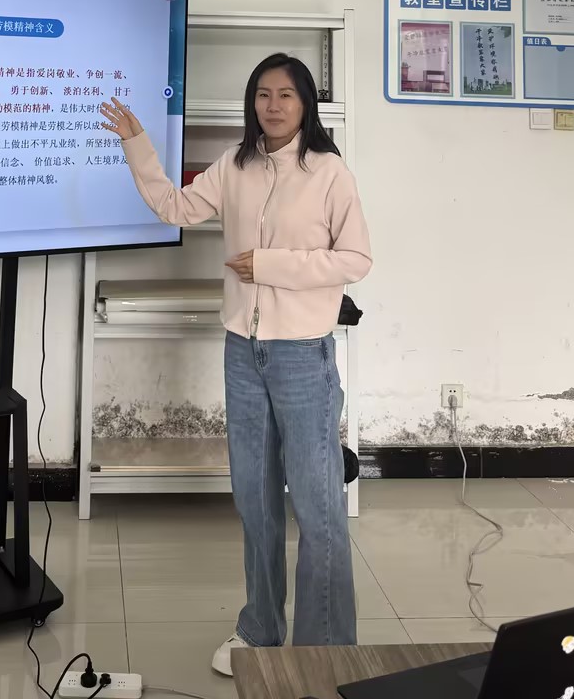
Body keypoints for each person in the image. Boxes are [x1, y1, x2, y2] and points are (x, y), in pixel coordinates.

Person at [100, 53, 372, 674]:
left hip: (302, 354)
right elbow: (175, 207)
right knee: (255, 501)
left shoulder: (329, 172)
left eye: (287, 95)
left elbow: (355, 259)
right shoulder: (235, 165)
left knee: (318, 507)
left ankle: (324, 651)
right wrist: (137, 145)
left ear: (306, 104)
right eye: (263, 94)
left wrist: (271, 265)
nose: (273, 106)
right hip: (242, 353)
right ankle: (260, 631)